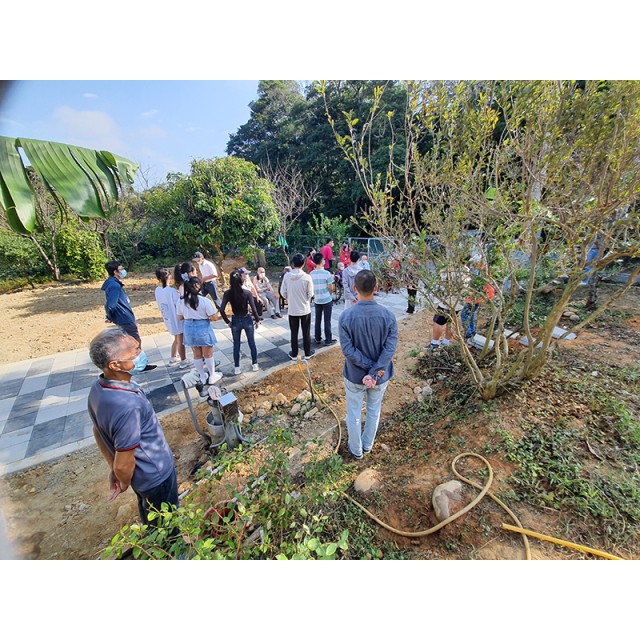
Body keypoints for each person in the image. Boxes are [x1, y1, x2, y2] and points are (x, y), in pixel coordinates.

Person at [88, 327, 178, 527]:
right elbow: (123, 463)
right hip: (156, 476)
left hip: (144, 478)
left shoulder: (99, 388)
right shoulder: (127, 406)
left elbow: (97, 431)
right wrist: (122, 478)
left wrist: (113, 466)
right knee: (168, 528)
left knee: (151, 517)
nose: (141, 354)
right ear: (115, 364)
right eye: (135, 351)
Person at [339, 270, 398, 459]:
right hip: (380, 376)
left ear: (354, 288)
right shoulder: (388, 316)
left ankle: (356, 451)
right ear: (377, 288)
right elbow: (389, 350)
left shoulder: (346, 317)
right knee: (374, 411)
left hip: (355, 375)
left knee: (354, 413)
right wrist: (374, 372)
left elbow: (348, 351)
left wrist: (368, 370)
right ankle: (367, 446)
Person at [101, 260, 156, 372]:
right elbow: (111, 304)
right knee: (135, 341)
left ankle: (135, 363)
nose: (123, 271)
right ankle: (139, 364)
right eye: (121, 269)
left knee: (131, 340)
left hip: (122, 317)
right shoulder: (114, 285)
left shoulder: (112, 283)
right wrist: (110, 316)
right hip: (124, 317)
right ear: (115, 272)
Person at [177, 277, 222, 388]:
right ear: (197, 285)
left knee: (196, 354)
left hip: (188, 328)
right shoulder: (204, 301)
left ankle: (202, 376)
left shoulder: (181, 301)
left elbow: (180, 317)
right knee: (208, 353)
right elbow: (213, 317)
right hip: (202, 327)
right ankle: (212, 375)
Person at [219, 270, 261, 375]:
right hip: (247, 319)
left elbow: (221, 309)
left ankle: (237, 367)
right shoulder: (247, 293)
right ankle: (255, 364)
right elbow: (254, 309)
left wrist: (227, 321)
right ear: (241, 280)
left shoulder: (227, 293)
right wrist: (257, 320)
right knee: (251, 343)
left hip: (236, 320)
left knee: (236, 345)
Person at [280, 253, 315, 360]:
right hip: (305, 308)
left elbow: (283, 292)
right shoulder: (307, 277)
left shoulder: (287, 276)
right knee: (306, 332)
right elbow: (311, 294)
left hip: (292, 309)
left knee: (294, 332)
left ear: (293, 263)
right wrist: (306, 300)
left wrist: (289, 299)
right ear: (304, 264)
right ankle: (308, 353)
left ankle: (294, 353)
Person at [427, 265, 470, 351]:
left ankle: (435, 342)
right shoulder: (466, 270)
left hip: (447, 301)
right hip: (459, 302)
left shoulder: (450, 269)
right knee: (450, 320)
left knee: (438, 321)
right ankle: (447, 341)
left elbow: (442, 282)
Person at [154, 267, 189, 368]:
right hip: (176, 318)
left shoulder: (157, 290)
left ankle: (173, 357)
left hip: (167, 317)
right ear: (169, 276)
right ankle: (183, 360)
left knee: (176, 338)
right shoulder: (172, 291)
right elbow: (178, 304)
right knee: (180, 339)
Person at [310, 252, 337, 346]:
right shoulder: (326, 273)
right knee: (327, 320)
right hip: (326, 299)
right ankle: (328, 340)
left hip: (317, 299)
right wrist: (328, 294)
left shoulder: (311, 274)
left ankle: (317, 338)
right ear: (321, 261)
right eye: (324, 259)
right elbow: (331, 288)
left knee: (317, 319)